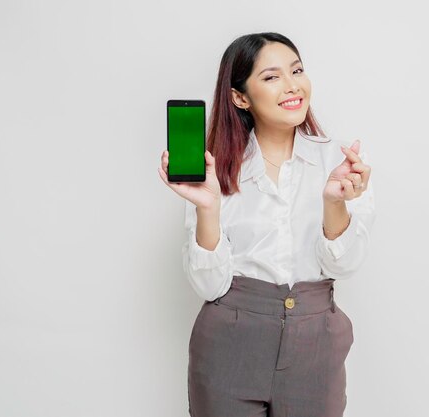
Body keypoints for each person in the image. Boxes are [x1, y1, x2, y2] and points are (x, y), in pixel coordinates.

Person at [158, 32, 375, 417]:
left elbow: (345, 266)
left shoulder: (338, 162)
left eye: (297, 70)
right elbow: (210, 286)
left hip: (316, 346)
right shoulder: (216, 171)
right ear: (240, 97)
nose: (292, 86)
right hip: (229, 345)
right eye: (272, 77)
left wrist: (334, 203)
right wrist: (208, 207)